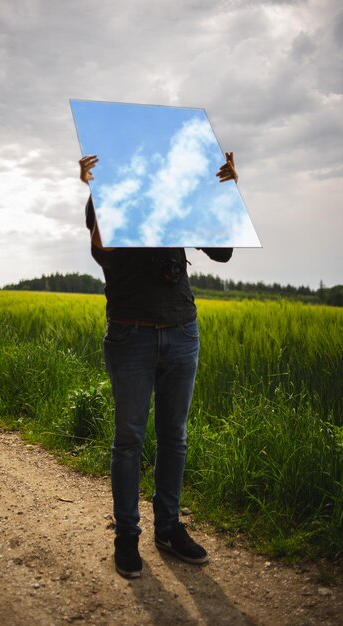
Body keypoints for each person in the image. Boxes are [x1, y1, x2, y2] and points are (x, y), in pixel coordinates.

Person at [79, 151, 237, 578]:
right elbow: (104, 254)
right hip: (130, 332)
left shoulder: (181, 197)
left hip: (182, 330)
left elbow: (222, 251)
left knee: (175, 437)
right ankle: (127, 536)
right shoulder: (110, 193)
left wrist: (224, 194)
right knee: (129, 438)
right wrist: (98, 190)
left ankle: (168, 528)